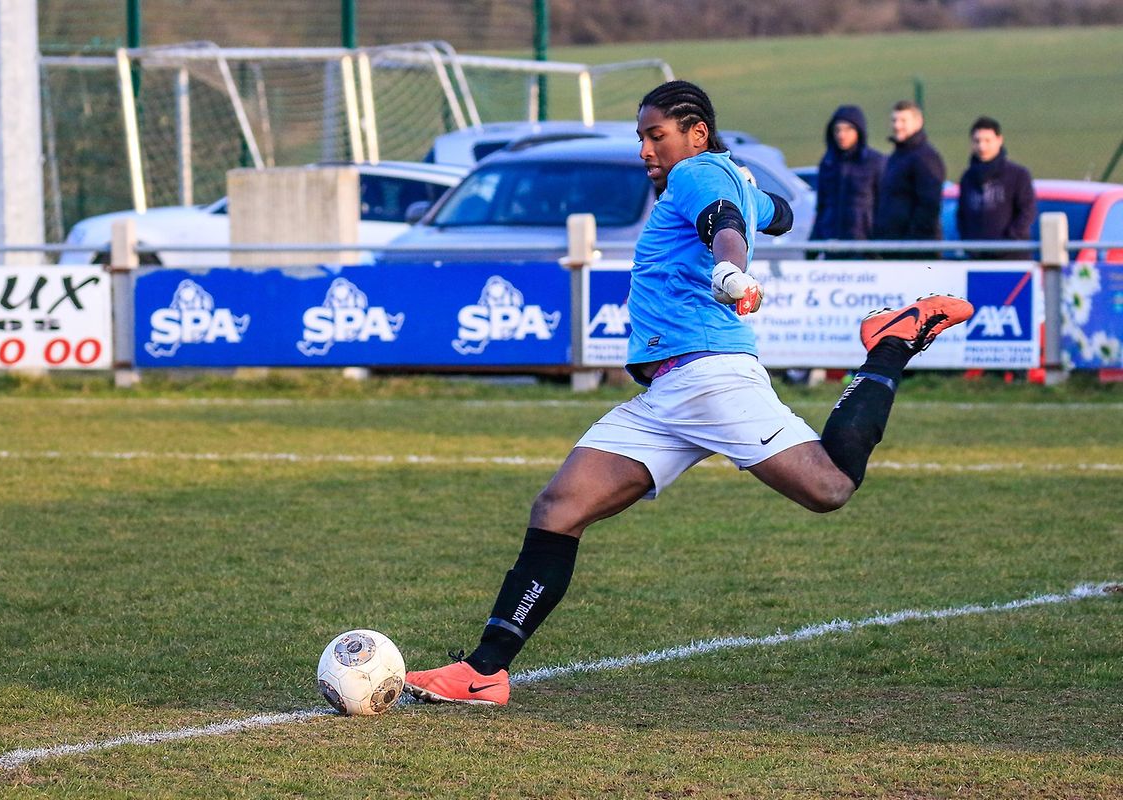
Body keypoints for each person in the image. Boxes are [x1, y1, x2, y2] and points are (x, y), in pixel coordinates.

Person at [404, 81, 973, 707]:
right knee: (558, 508)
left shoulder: (696, 174)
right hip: (666, 395)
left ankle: (890, 344)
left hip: (710, 379)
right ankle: (485, 670)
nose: (646, 150)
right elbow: (770, 212)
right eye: (641, 138)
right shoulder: (724, 174)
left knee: (830, 486)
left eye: (657, 135)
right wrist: (756, 201)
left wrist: (729, 266)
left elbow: (721, 224)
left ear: (695, 133)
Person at [810, 105, 885, 257]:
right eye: (837, 130)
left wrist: (879, 246)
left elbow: (883, 207)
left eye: (848, 129)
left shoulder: (875, 162)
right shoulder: (828, 163)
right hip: (831, 247)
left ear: (859, 131)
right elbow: (822, 208)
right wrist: (812, 246)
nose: (841, 135)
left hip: (864, 251)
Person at [872, 100, 945, 256]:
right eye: (894, 120)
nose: (897, 125)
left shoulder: (926, 158)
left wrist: (912, 244)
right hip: (893, 248)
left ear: (918, 122)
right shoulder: (896, 157)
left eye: (903, 120)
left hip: (914, 252)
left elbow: (929, 206)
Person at [957, 116, 1037, 259]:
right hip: (977, 261)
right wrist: (969, 244)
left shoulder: (1018, 175)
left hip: (1012, 260)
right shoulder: (967, 178)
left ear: (999, 140)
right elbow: (962, 215)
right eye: (977, 141)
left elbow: (1027, 212)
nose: (982, 146)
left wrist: (1007, 242)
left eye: (987, 140)